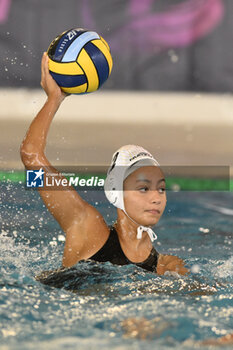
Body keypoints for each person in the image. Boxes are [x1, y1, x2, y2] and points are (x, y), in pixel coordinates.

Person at [20, 52, 188, 276]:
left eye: (161, 188)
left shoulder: (164, 266)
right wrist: (54, 99)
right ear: (116, 192)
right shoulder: (87, 227)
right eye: (143, 188)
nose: (156, 197)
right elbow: (31, 155)